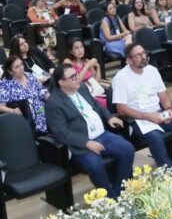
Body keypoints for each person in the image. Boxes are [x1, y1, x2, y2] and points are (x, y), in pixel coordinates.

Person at [46, 63, 135, 199]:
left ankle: (118, 190)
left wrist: (109, 117)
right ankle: (110, 198)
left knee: (128, 149)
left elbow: (96, 105)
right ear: (62, 82)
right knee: (95, 165)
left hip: (102, 135)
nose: (77, 78)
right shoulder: (54, 103)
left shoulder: (81, 88)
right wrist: (87, 143)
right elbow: (61, 132)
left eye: (76, 74)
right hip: (81, 143)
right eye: (72, 76)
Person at [111, 43, 172, 167]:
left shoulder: (152, 70)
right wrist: (148, 116)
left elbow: (163, 94)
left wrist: (168, 109)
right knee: (155, 137)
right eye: (138, 55)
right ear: (128, 60)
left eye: (144, 53)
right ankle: (168, 173)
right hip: (139, 120)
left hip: (158, 112)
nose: (144, 57)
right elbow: (121, 109)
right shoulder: (121, 78)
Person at [0, 56, 50, 133]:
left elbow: (43, 92)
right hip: (26, 119)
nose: (21, 68)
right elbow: (0, 106)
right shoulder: (6, 84)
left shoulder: (29, 76)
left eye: (21, 65)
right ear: (10, 71)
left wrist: (52, 99)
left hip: (43, 112)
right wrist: (12, 110)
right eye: (17, 67)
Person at [64, 39, 107, 107]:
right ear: (71, 51)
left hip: (94, 92)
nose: (80, 50)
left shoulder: (86, 61)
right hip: (82, 94)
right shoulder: (68, 62)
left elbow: (97, 82)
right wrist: (87, 66)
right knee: (105, 102)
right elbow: (77, 80)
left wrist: (98, 68)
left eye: (81, 47)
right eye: (76, 48)